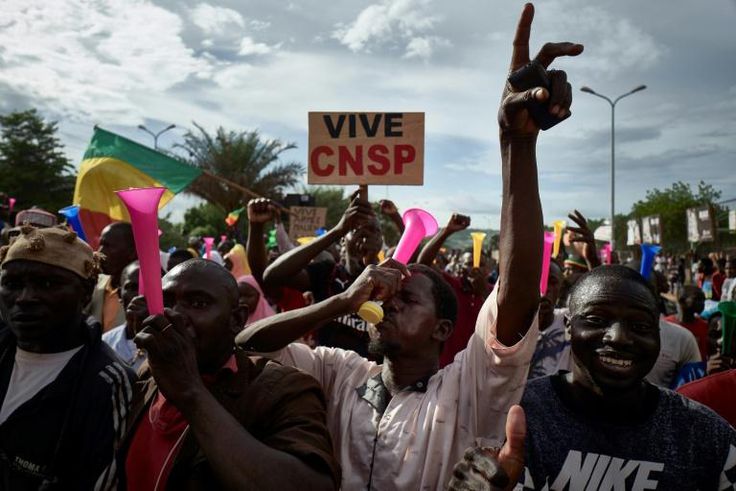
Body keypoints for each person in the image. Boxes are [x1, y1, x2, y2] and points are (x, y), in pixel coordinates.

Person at [237, 6, 581, 487]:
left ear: (444, 329)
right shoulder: (339, 372)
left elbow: (517, 291)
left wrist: (516, 145)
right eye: (387, 293)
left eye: (408, 296)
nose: (388, 299)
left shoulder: (468, 389)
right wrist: (340, 301)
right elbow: (247, 345)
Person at [118, 259, 339, 489]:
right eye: (167, 302)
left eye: (198, 303)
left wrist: (190, 393)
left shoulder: (284, 389)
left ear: (236, 319)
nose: (176, 315)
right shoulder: (150, 373)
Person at [517, 265, 736, 490]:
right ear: (568, 327)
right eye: (596, 320)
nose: (619, 338)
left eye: (640, 325)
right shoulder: (522, 418)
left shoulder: (706, 437)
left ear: (658, 334)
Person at [0, 226, 136, 490]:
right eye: (12, 284)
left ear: (85, 293)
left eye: (48, 284)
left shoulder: (108, 385)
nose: (25, 298)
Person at [260, 192, 383, 357]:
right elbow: (272, 275)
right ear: (342, 240)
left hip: (371, 374)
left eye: (374, 231)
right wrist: (337, 230)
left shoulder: (388, 279)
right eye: (356, 229)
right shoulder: (327, 273)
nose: (366, 235)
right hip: (328, 371)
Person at [417, 213, 492, 367]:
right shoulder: (449, 285)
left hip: (479, 371)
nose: (474, 268)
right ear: (459, 267)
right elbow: (423, 265)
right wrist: (447, 231)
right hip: (445, 370)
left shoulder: (495, 294)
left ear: (488, 270)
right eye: (468, 263)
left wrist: (484, 293)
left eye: (480, 265)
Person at [90, 222, 137, 332]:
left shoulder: (144, 295)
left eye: (108, 246)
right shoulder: (93, 285)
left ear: (132, 252)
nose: (100, 252)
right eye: (100, 245)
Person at [102, 261, 149, 371]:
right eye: (132, 288)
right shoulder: (105, 343)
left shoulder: (171, 344)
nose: (139, 295)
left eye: (148, 287)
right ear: (119, 294)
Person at [663, 285, 709, 361]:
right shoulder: (667, 324)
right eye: (697, 299)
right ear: (682, 301)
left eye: (703, 300)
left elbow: (703, 354)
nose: (702, 303)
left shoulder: (703, 326)